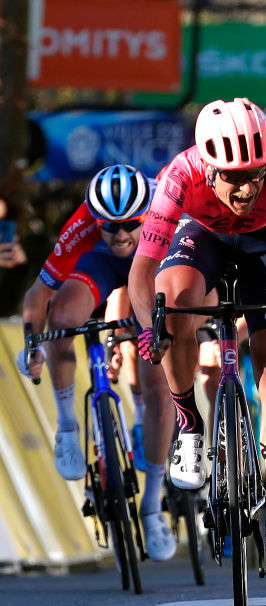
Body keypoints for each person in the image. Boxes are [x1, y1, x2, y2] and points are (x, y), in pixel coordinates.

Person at [127, 98, 266, 574]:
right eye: (234, 176)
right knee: (172, 310)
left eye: (256, 173)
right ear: (208, 168)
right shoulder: (179, 176)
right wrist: (152, 327)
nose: (248, 187)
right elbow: (142, 272)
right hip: (203, 234)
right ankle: (189, 424)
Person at [18, 164, 177, 562]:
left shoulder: (171, 210)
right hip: (102, 266)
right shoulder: (85, 222)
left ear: (147, 213)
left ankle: (154, 506)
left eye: (129, 225)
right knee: (62, 317)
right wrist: (31, 344)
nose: (120, 234)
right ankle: (67, 426)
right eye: (110, 227)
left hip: (157, 260)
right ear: (95, 218)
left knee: (158, 381)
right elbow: (38, 294)